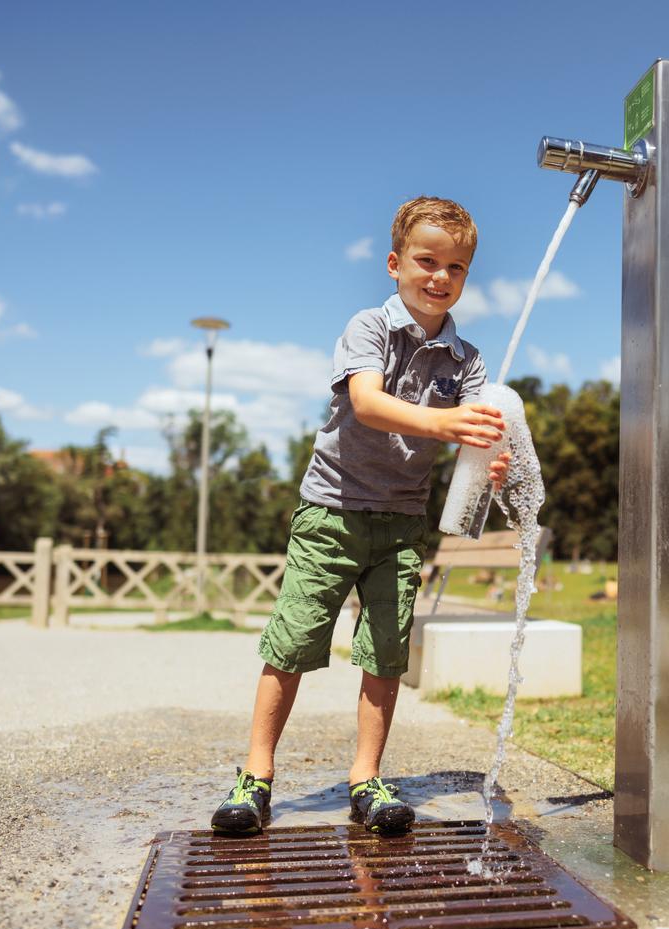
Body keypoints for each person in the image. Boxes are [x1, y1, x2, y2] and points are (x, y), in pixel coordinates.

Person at [211, 197, 512, 837]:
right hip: (333, 511)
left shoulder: (467, 360)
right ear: (394, 264)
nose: (440, 277)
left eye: (456, 267)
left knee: (385, 654)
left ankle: (366, 778)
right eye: (426, 261)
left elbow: (478, 435)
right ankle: (255, 777)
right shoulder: (369, 327)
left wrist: (490, 459)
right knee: (293, 642)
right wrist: (444, 424)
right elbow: (368, 403)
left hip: (401, 522)